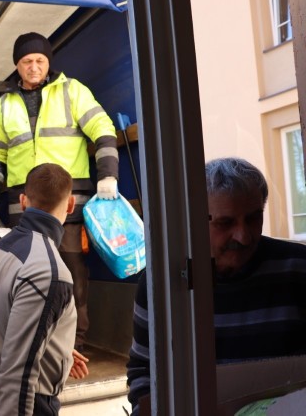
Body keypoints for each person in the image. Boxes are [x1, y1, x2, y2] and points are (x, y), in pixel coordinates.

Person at [126, 157, 306, 415]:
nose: (243, 236)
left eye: (254, 218)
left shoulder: (298, 267)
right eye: (225, 223)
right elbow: (144, 368)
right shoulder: (163, 283)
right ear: (195, 220)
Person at [0, 32, 120, 352]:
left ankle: (75, 345)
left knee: (72, 273)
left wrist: (107, 176)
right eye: (27, 61)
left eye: (40, 60)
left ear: (49, 62)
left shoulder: (73, 91)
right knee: (26, 272)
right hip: (22, 205)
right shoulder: (4, 105)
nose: (33, 67)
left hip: (67, 203)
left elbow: (104, 130)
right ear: (17, 65)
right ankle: (32, 344)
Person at [0, 163, 90, 416]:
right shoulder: (49, 272)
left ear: (23, 201)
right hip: (23, 402)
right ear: (70, 205)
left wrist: (57, 348)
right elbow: (18, 373)